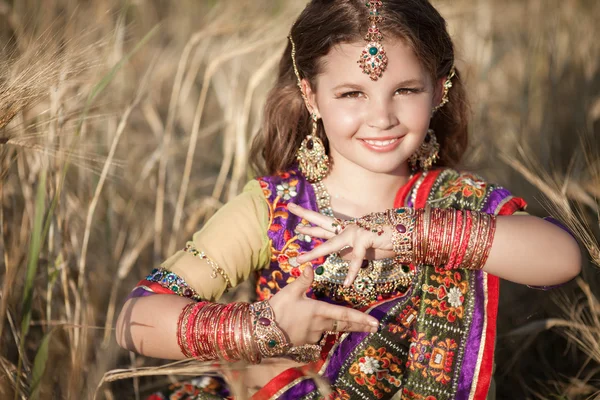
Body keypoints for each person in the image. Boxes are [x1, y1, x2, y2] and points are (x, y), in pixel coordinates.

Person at [115, 1, 582, 399]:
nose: (381, 117)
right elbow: (133, 319)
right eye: (352, 93)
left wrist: (409, 234)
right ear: (311, 96)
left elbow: (561, 258)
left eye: (404, 90)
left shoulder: (453, 200)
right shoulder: (276, 207)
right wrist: (262, 328)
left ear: (439, 90)